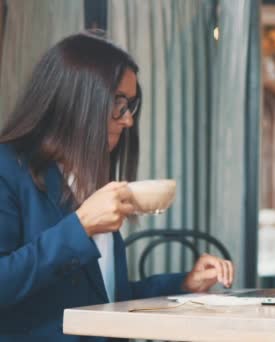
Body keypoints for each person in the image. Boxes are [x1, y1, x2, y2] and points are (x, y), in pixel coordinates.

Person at [0, 32, 234, 340]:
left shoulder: (86, 181)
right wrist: (80, 226)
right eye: (118, 104)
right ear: (78, 101)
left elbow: (106, 298)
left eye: (130, 105)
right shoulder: (8, 169)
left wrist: (184, 285)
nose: (128, 121)